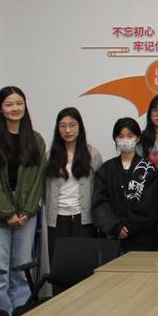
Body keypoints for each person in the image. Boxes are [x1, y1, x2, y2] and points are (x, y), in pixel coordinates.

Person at [0, 86, 46, 316]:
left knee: (21, 271)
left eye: (19, 103)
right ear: (0, 109)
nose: (15, 108)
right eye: (9, 104)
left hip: (27, 215)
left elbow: (37, 180)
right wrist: (7, 212)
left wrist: (27, 210)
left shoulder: (36, 140)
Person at [92, 117, 158, 254]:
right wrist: (115, 227)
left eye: (130, 136)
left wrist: (127, 226)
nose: (125, 140)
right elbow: (100, 203)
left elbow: (150, 206)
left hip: (142, 240)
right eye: (121, 136)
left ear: (138, 138)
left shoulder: (149, 169)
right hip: (112, 240)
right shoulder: (105, 169)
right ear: (115, 139)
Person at [44, 107, 103, 261]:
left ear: (79, 127)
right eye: (63, 126)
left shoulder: (93, 154)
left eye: (72, 125)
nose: (68, 130)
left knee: (83, 263)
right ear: (58, 129)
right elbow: (43, 190)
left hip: (84, 218)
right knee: (59, 263)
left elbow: (99, 189)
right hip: (57, 218)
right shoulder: (49, 156)